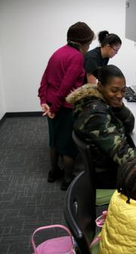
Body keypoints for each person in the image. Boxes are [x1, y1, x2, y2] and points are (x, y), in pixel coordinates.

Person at [38, 21, 94, 190]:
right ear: (82, 42)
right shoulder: (77, 57)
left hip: (51, 105)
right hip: (64, 108)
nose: (88, 47)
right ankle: (67, 179)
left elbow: (44, 79)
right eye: (89, 44)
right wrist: (55, 109)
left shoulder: (57, 53)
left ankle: (53, 172)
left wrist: (44, 102)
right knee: (68, 145)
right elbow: (65, 88)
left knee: (54, 140)